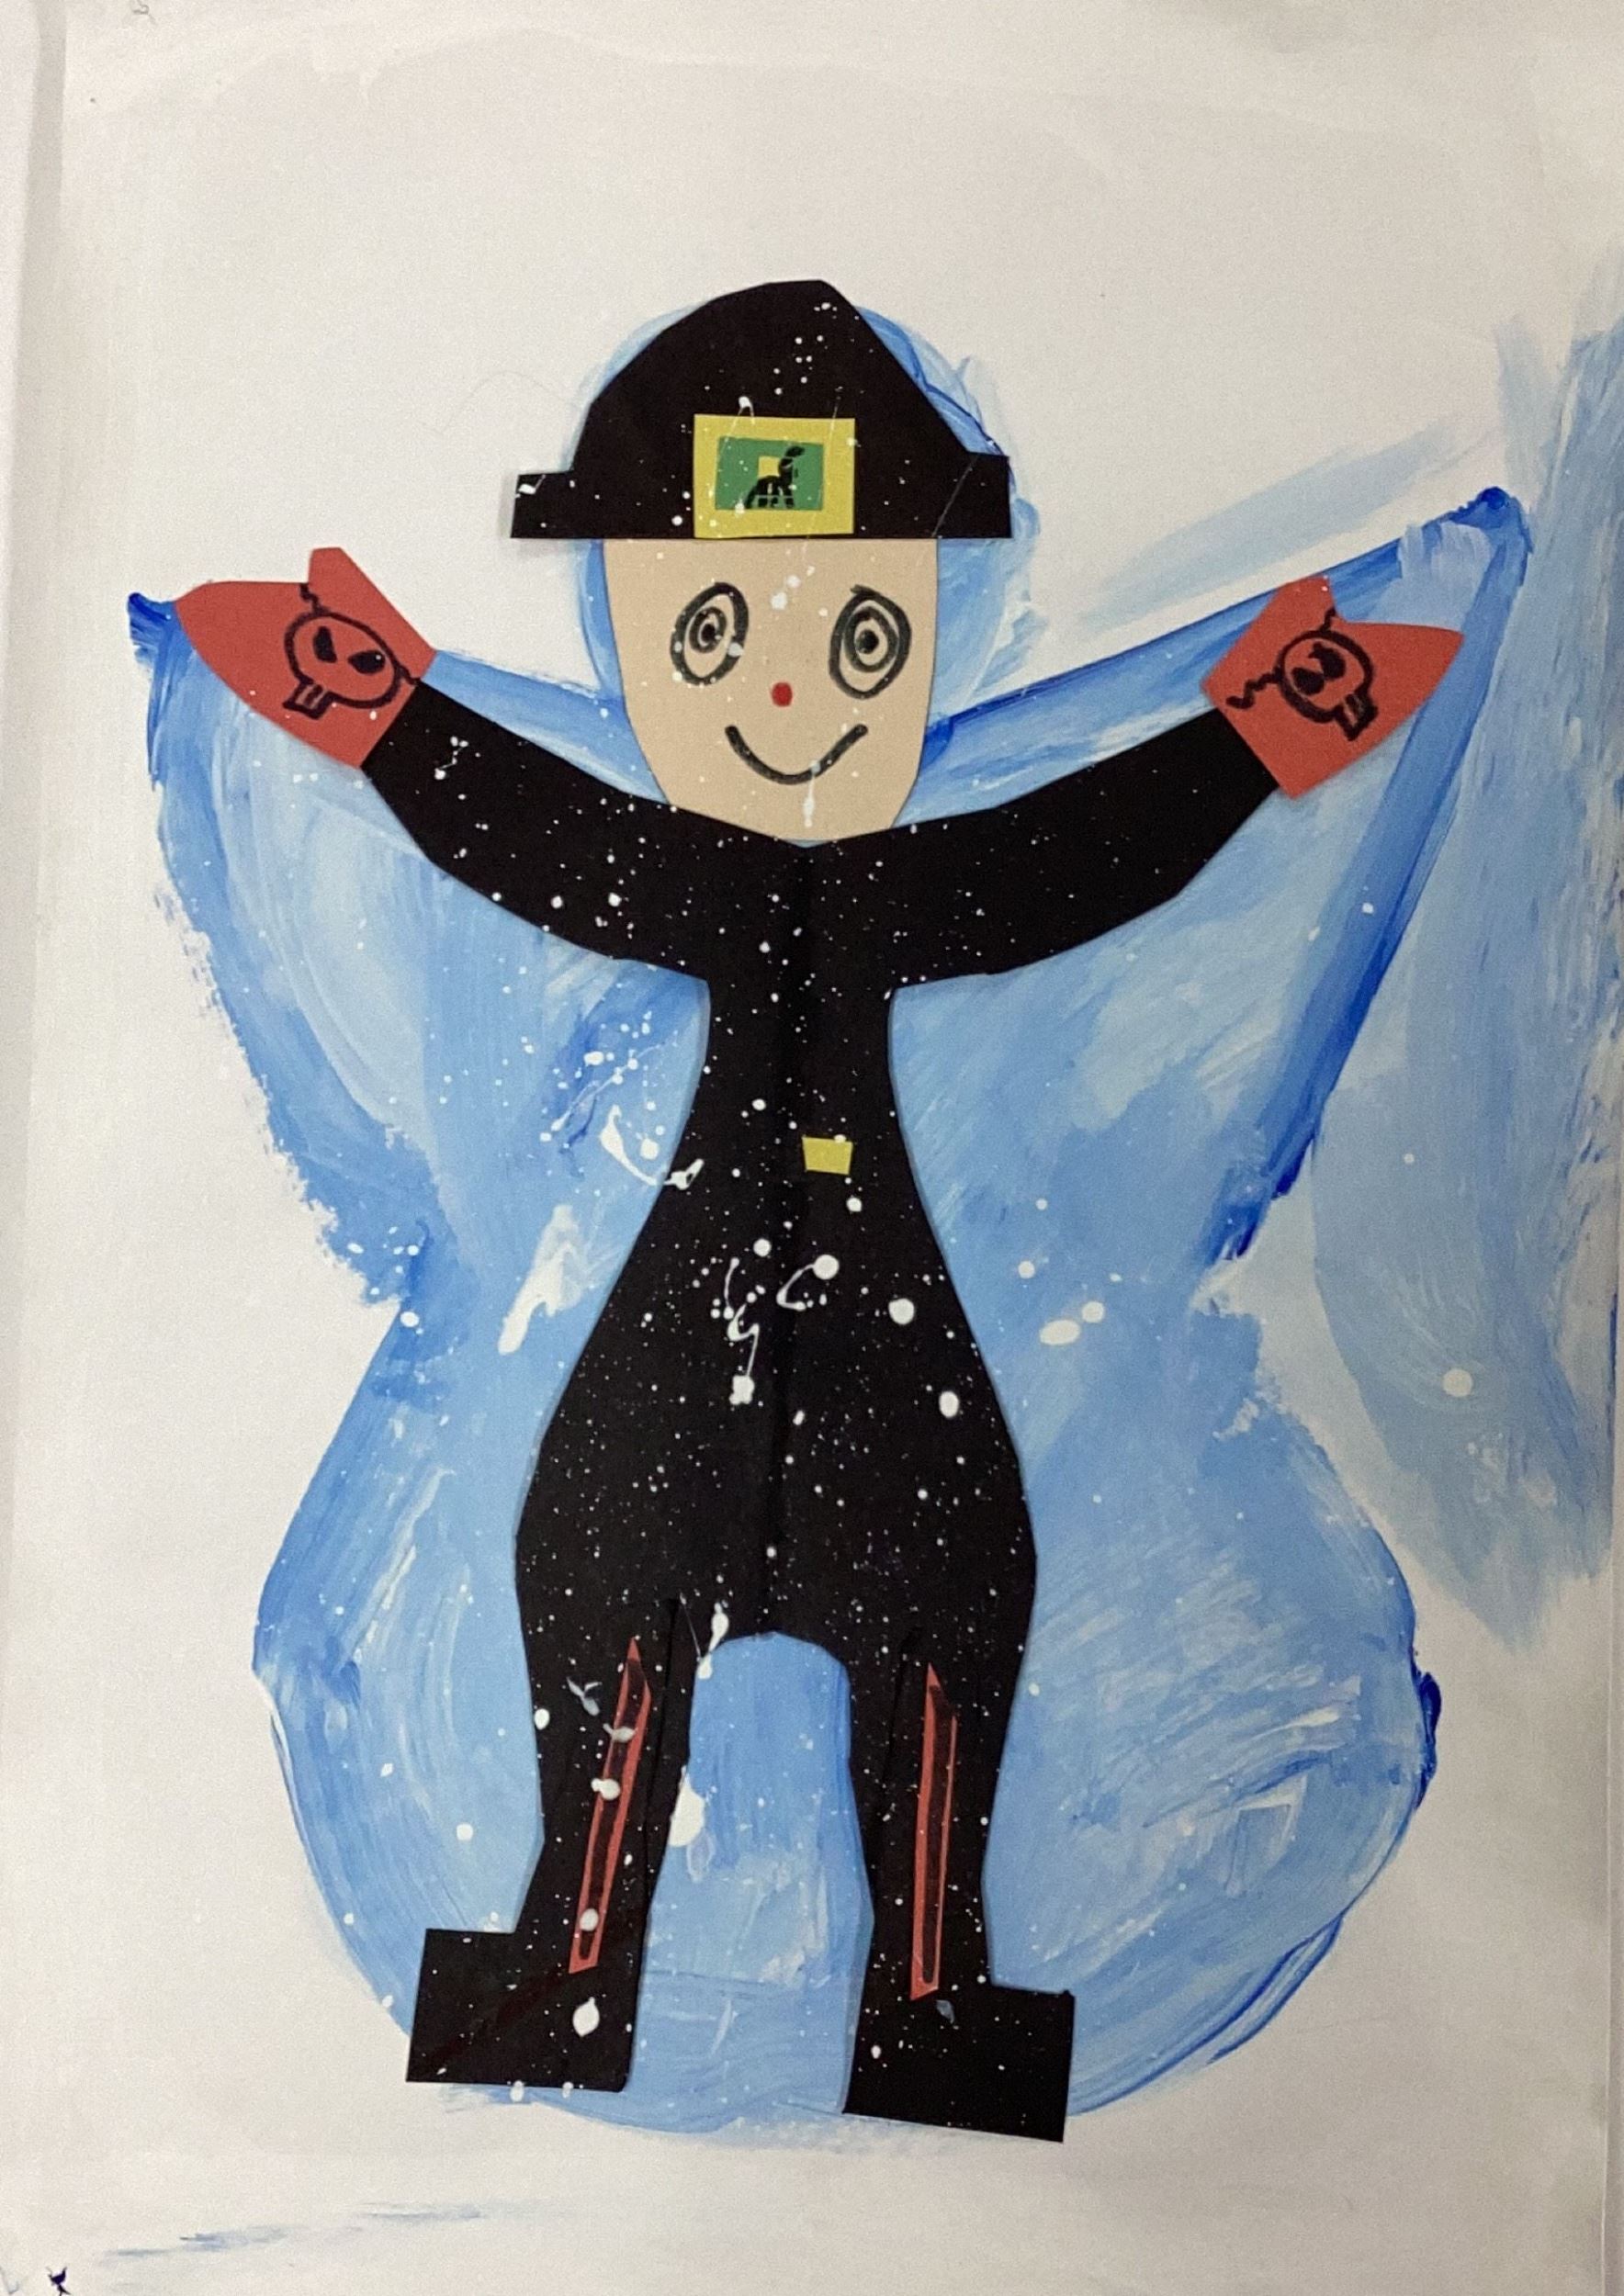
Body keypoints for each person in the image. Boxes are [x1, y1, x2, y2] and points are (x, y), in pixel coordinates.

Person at [175, 280, 1457, 2141]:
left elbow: (1068, 861)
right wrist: (384, 717)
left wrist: (1252, 741)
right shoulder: (674, 871)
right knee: (594, 1564)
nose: (789, 691)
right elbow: (532, 833)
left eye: (863, 636)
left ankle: (925, 1991)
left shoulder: (902, 889)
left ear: (928, 631)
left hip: (881, 1357)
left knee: (955, 1589)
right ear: (626, 626)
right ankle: (571, 1961)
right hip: (693, 1342)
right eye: (713, 631)